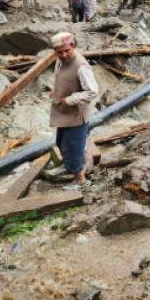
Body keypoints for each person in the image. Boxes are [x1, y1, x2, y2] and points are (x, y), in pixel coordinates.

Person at [46, 32, 99, 190]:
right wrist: (56, 91)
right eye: (59, 51)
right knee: (62, 142)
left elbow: (92, 92)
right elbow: (62, 78)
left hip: (76, 114)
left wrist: (69, 100)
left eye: (67, 51)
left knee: (73, 147)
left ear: (73, 47)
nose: (63, 54)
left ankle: (80, 181)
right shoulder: (60, 60)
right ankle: (67, 166)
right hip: (64, 112)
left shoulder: (81, 66)